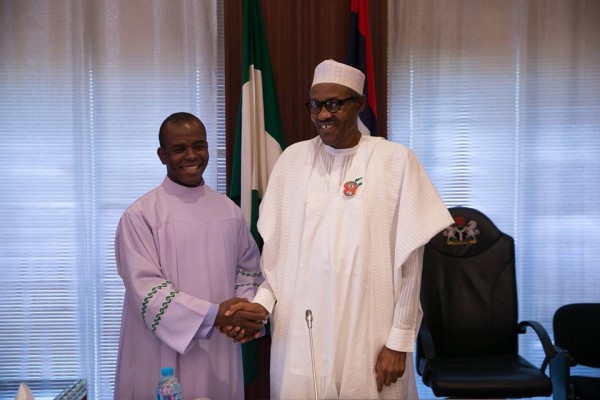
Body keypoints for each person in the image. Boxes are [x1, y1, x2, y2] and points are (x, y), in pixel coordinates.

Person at [225, 60, 454, 399]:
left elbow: (410, 263)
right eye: (315, 104)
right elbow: (277, 257)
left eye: (334, 103)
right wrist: (261, 304)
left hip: (369, 331)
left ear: (359, 104)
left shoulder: (395, 161)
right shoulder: (291, 161)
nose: (322, 114)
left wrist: (399, 342)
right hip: (301, 333)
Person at [113, 112, 267, 400]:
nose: (192, 155)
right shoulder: (140, 216)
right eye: (179, 148)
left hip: (220, 346)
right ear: (162, 155)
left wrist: (240, 312)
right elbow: (147, 292)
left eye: (199, 145)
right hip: (158, 352)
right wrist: (213, 315)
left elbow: (248, 270)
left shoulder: (228, 211)